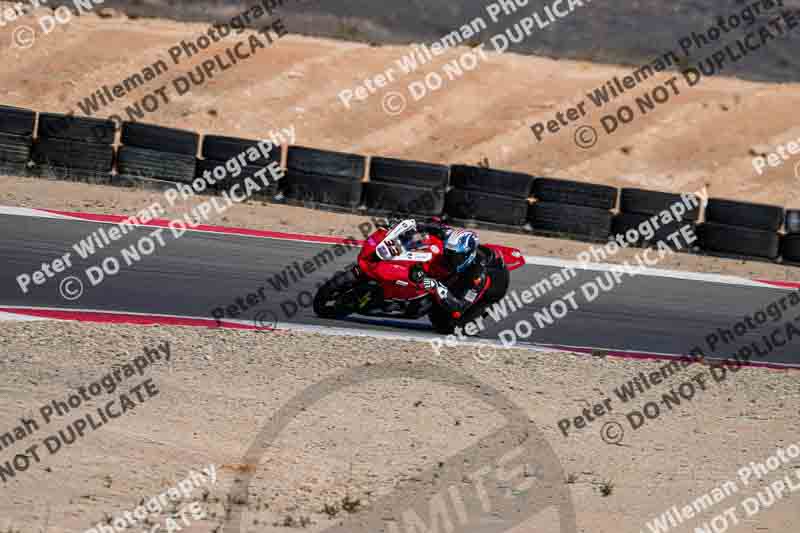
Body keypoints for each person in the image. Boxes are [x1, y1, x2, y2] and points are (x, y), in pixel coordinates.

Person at [383, 218, 510, 332]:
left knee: (449, 325)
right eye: (448, 253)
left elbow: (459, 306)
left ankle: (482, 311)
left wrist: (436, 287)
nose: (451, 259)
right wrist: (403, 224)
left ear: (467, 256)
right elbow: (432, 224)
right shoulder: (451, 238)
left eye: (456, 257)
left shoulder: (477, 276)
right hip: (465, 270)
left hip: (493, 285)